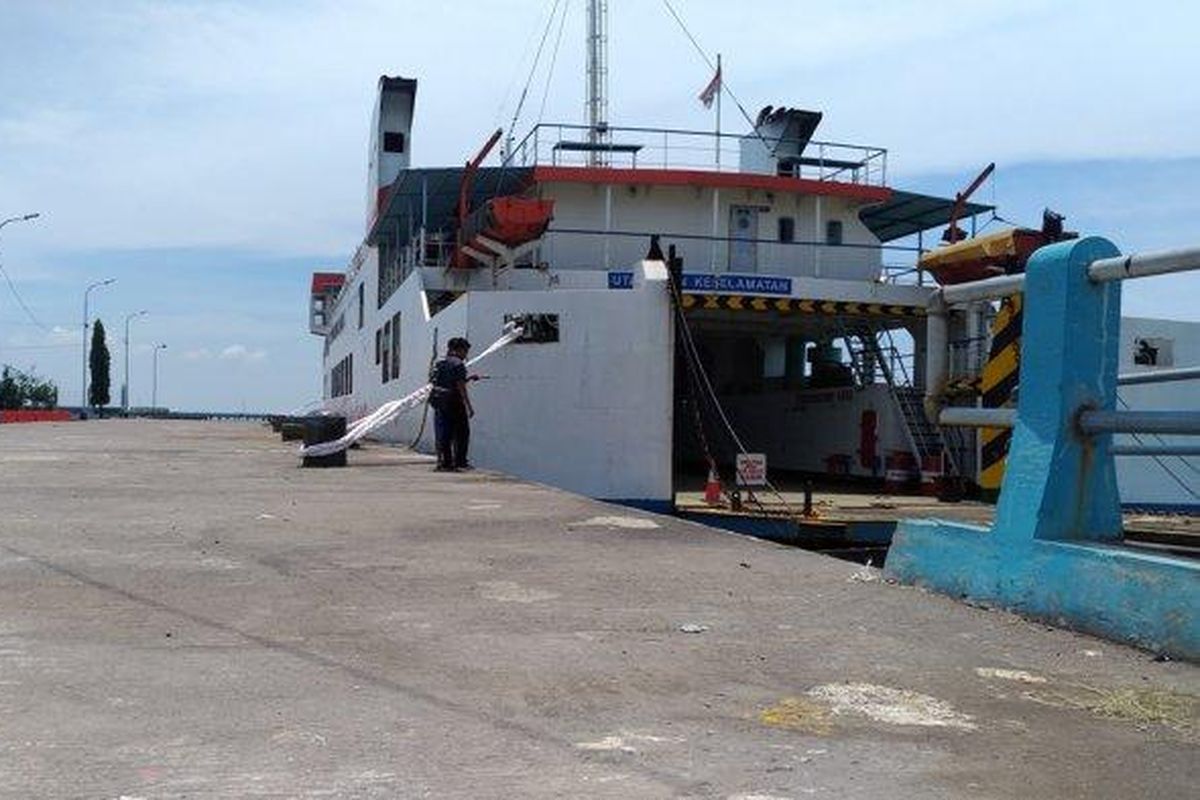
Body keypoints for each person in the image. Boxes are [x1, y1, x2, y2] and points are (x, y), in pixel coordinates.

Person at [430, 337, 475, 471]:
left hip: (439, 401)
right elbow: (460, 386)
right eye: (465, 351)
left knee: (444, 433)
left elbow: (441, 381)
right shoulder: (458, 364)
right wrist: (469, 406)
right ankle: (460, 461)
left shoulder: (439, 363)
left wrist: (469, 378)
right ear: (459, 350)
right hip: (454, 402)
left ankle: (444, 462)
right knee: (462, 433)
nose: (466, 355)